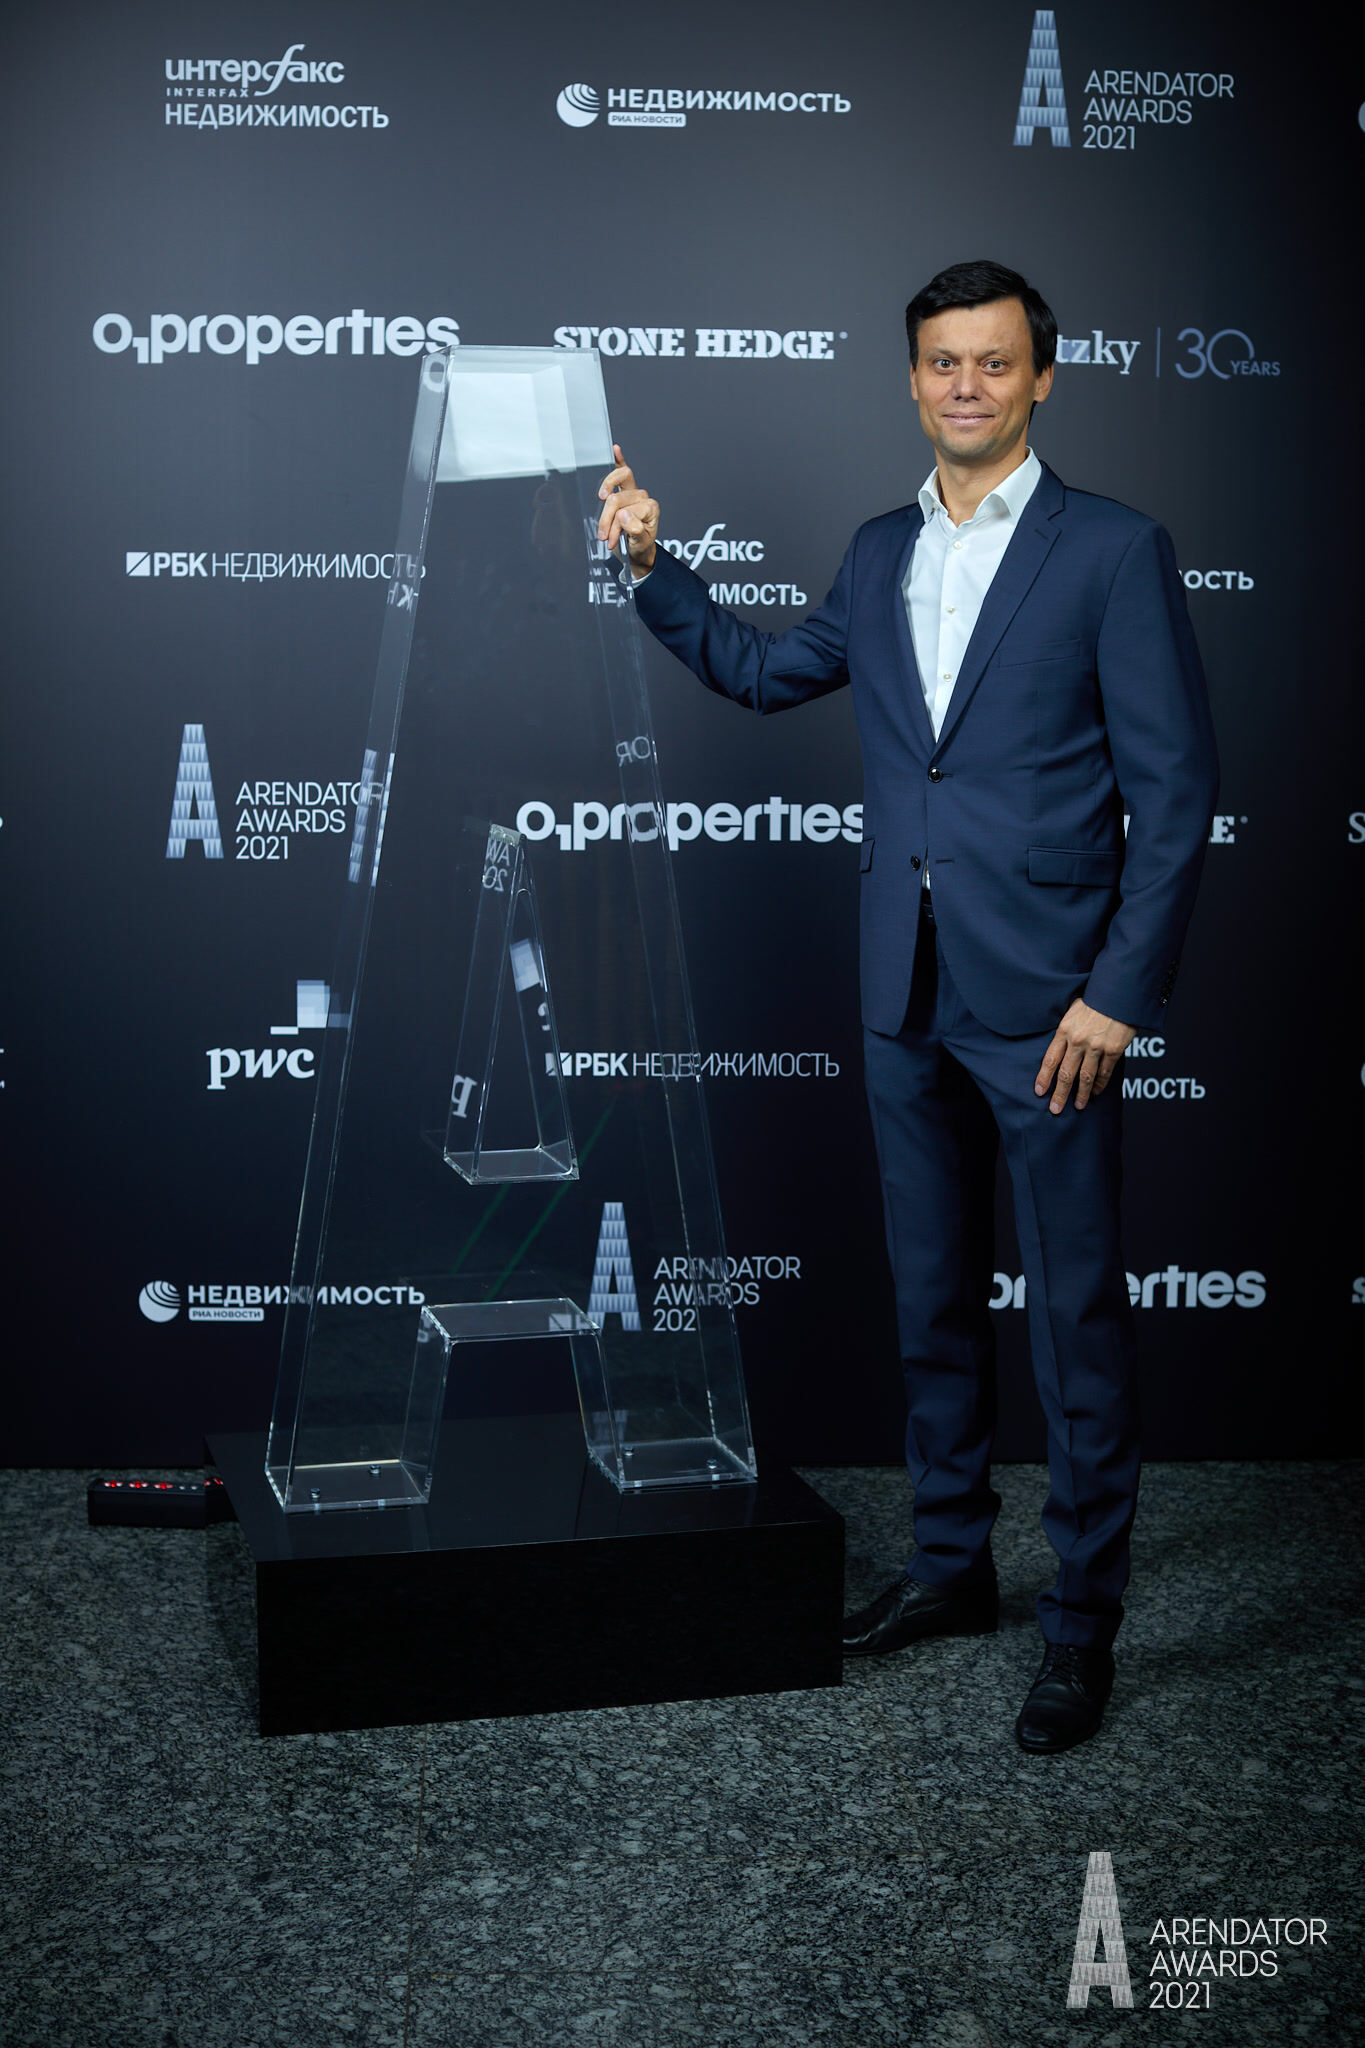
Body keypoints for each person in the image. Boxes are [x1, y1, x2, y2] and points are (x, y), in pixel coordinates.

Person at [597, 259, 1218, 1754]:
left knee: (1073, 1324)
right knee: (932, 1304)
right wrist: (650, 566)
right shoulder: (880, 550)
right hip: (904, 992)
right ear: (913, 378)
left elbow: (1178, 790)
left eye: (993, 363)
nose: (965, 385)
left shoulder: (1112, 549)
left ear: (1040, 378)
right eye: (942, 362)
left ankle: (1081, 1628)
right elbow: (761, 674)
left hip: (1052, 1008)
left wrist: (1116, 999)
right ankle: (951, 1567)